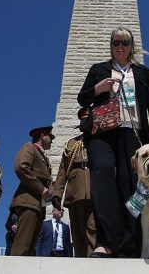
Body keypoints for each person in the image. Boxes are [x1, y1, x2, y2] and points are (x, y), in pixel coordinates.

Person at [77, 27, 149, 258]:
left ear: (131, 45)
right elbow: (82, 98)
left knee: (132, 185)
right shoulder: (99, 69)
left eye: (124, 42)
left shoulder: (143, 73)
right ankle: (105, 241)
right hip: (102, 133)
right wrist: (99, 88)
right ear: (111, 45)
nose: (120, 47)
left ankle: (132, 243)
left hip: (132, 133)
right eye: (116, 42)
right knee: (103, 173)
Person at [51, 108, 96, 257]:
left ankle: (93, 263)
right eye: (83, 121)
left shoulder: (100, 142)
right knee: (77, 232)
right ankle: (81, 263)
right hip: (75, 192)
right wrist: (57, 193)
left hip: (95, 191)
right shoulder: (71, 144)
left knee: (93, 229)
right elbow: (63, 171)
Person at [9, 126, 55, 256]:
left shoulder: (42, 156)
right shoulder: (29, 148)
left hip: (38, 205)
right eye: (50, 137)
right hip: (28, 202)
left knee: (30, 249)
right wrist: (41, 189)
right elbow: (21, 167)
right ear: (42, 136)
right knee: (22, 246)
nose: (51, 140)